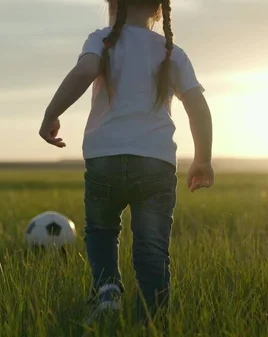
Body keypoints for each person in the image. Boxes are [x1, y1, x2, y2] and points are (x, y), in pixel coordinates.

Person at [38, 0, 215, 326]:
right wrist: (203, 159)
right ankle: (152, 318)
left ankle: (107, 291)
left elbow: (84, 71)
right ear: (159, 10)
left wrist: (53, 112)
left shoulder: (102, 40)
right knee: (152, 247)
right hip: (156, 163)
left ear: (113, 3)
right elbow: (197, 105)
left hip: (104, 157)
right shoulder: (171, 52)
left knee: (102, 230)